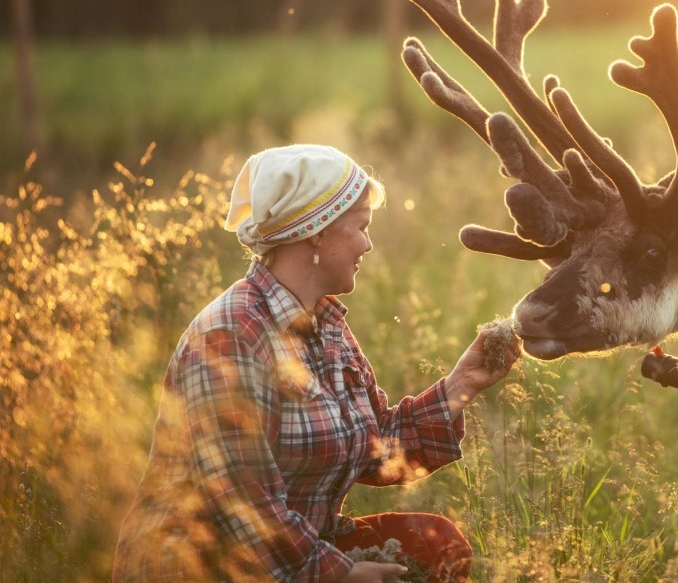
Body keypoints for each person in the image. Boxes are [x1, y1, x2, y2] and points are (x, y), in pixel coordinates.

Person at [113, 144, 520, 582]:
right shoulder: (231, 336)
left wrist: (461, 385)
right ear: (316, 232)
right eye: (362, 227)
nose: (368, 244)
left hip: (293, 557)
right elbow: (242, 506)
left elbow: (377, 449)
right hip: (208, 566)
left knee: (434, 543)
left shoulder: (324, 323)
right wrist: (340, 574)